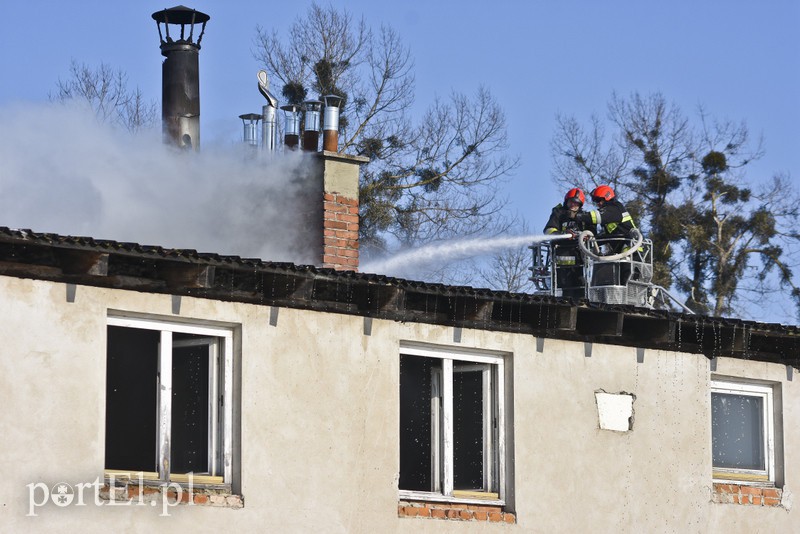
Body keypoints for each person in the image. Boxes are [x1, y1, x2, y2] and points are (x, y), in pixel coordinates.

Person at [576, 185, 640, 284]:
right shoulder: (612, 212)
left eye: (599, 200)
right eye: (596, 201)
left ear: (607, 197)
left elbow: (597, 216)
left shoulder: (615, 208)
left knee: (627, 282)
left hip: (632, 252)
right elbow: (610, 236)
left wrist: (578, 216)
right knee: (617, 282)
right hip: (622, 254)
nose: (598, 204)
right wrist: (593, 240)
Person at [543, 188, 592, 298]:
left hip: (579, 259)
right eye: (571, 202)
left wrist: (586, 237)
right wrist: (564, 234)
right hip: (562, 259)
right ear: (566, 201)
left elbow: (592, 233)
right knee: (565, 291)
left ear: (580, 204)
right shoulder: (558, 213)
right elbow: (549, 231)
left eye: (576, 203)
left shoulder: (584, 216)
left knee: (581, 290)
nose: (573, 205)